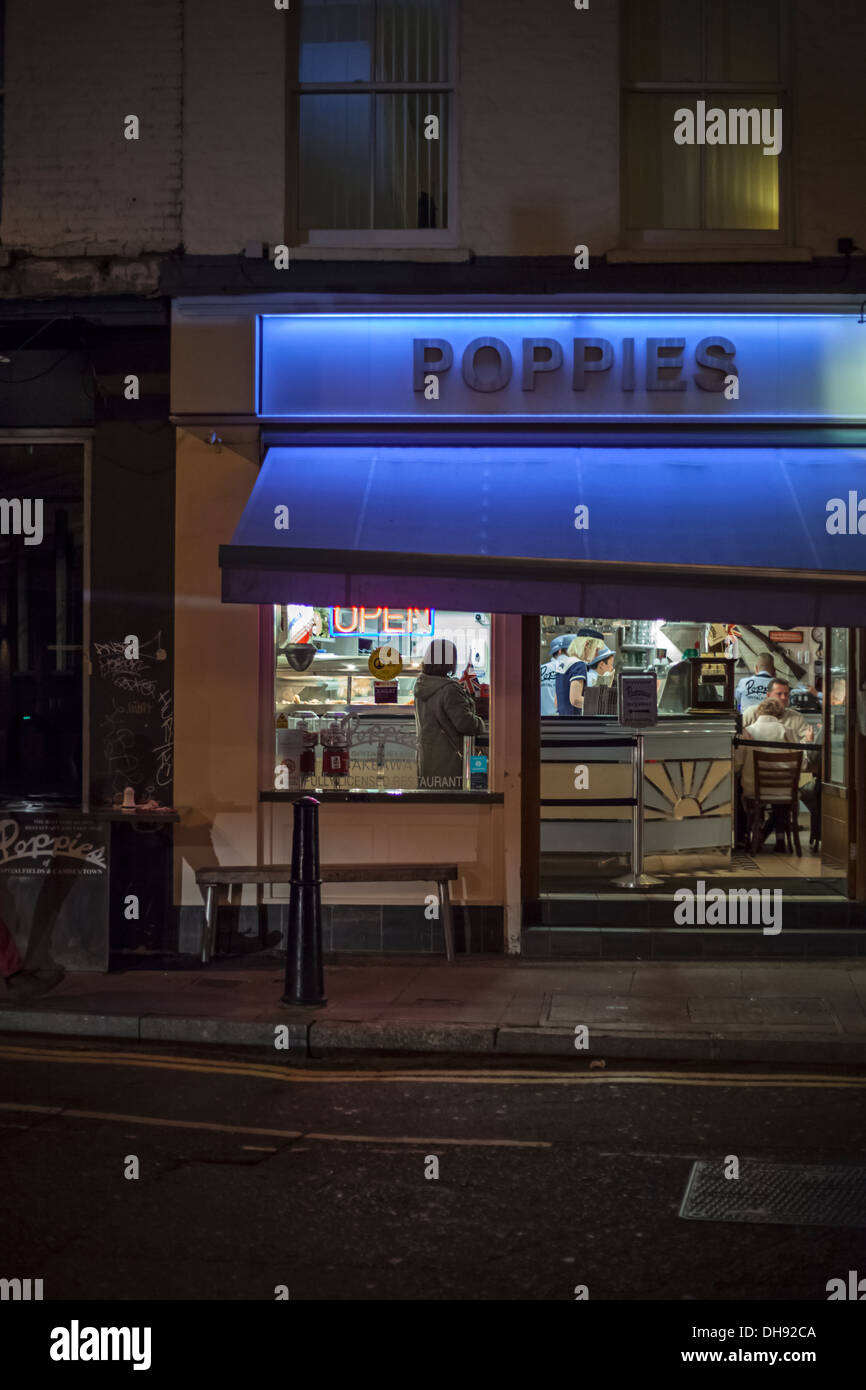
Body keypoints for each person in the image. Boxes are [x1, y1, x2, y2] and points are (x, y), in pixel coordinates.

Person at [414, 639, 485, 790]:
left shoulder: (421, 684)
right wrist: (480, 723)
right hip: (450, 760)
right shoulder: (450, 689)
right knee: (454, 805)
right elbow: (465, 723)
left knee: (433, 805)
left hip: (427, 758)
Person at [742, 677, 814, 744]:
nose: (783, 697)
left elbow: (807, 739)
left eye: (786, 694)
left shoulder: (797, 717)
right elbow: (738, 734)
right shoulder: (751, 713)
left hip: (787, 757)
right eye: (779, 694)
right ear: (768, 696)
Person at [554, 628, 606, 717]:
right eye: (596, 650)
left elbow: (557, 702)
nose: (597, 654)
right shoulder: (579, 665)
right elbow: (576, 700)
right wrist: (601, 705)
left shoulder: (563, 664)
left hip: (562, 720)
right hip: (575, 723)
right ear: (586, 645)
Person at [540, 635, 574, 715]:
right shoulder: (572, 668)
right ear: (560, 651)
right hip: (563, 721)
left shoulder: (541, 669)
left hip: (541, 721)